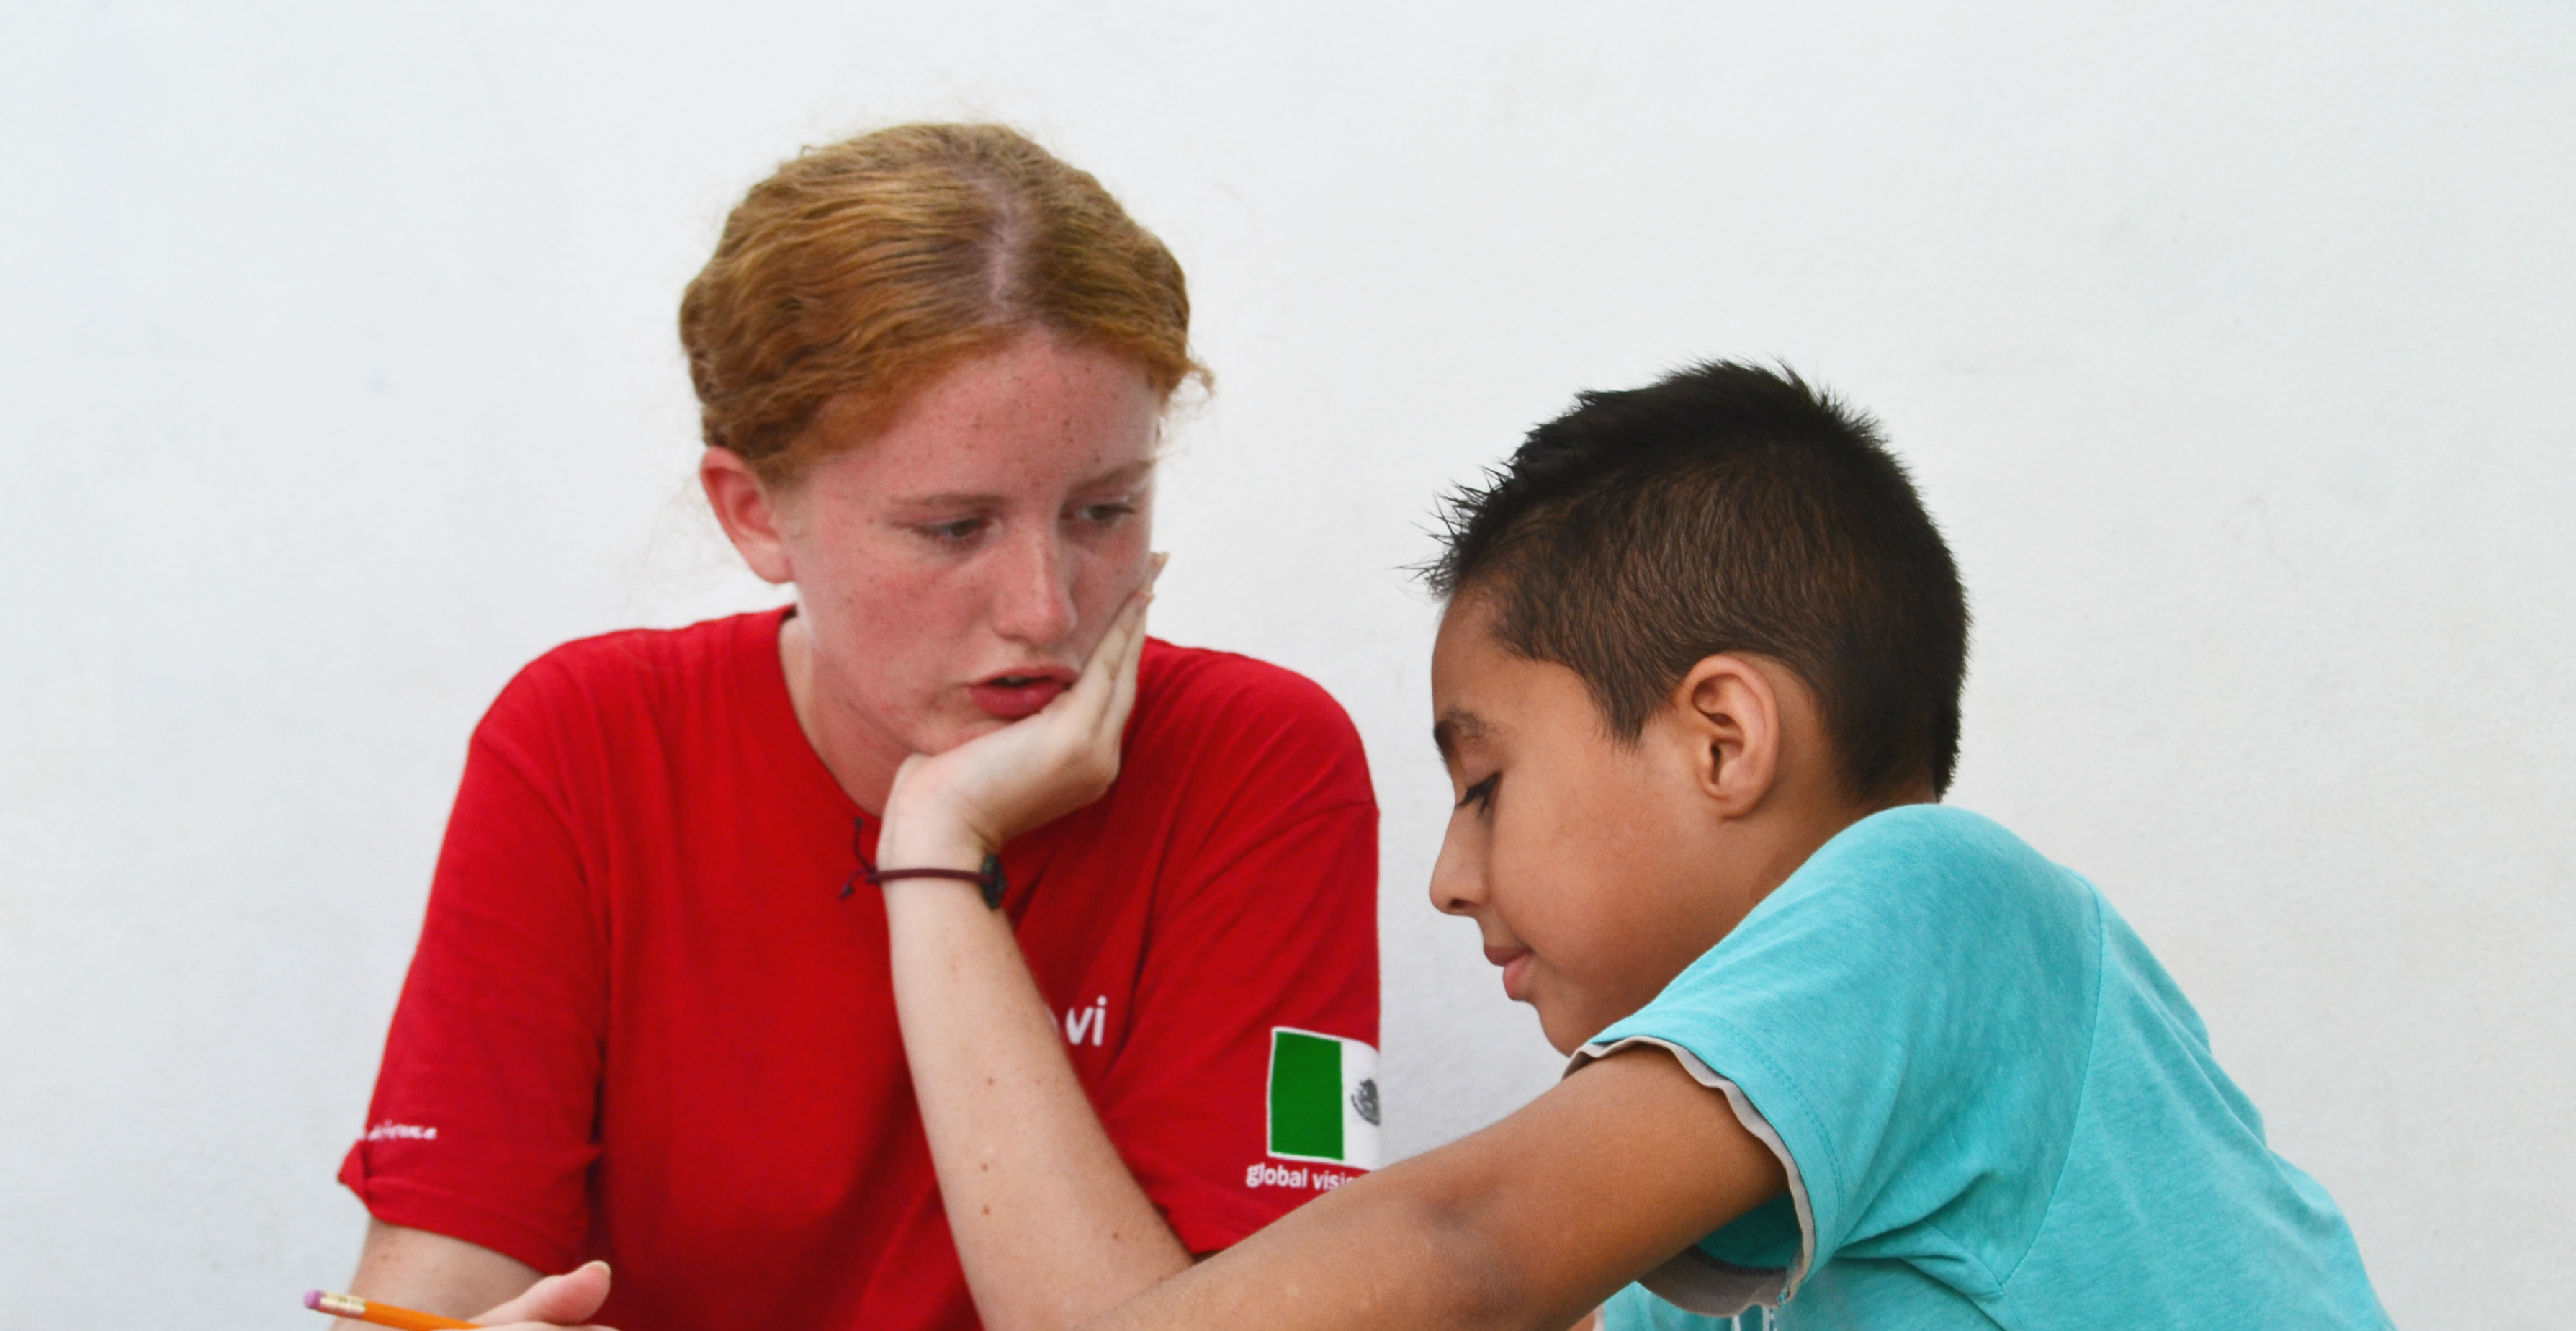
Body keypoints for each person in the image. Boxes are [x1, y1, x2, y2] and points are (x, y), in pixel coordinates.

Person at [1051, 362, 2384, 1328]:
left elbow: (1467, 1246)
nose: (1449, 882)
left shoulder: (1938, 898)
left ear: (1723, 741)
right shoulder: (1685, 1257)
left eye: (1488, 783)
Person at [338, 123, 1381, 1331]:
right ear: (755, 515)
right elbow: (436, 1281)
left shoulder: (1258, 766)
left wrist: (937, 851)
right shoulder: (587, 743)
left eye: (1105, 510)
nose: (1047, 608)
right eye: (953, 528)